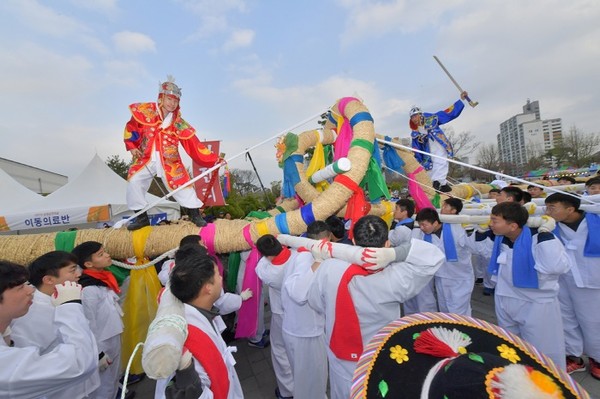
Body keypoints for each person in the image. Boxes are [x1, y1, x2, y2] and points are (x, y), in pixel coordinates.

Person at [307, 215, 444, 399]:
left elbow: (314, 302)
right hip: (379, 353)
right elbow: (433, 257)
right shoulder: (396, 276)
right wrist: (395, 254)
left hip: (341, 354)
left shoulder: (329, 268)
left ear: (353, 240)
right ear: (387, 244)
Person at [470, 202, 570, 370]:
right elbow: (481, 251)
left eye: (495, 220)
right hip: (505, 298)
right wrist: (478, 232)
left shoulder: (539, 238)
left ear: (513, 225)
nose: (490, 224)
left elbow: (557, 267)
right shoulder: (500, 239)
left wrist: (546, 235)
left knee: (542, 349)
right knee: (511, 344)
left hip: (535, 303)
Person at [123, 76, 218, 230]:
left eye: (175, 101)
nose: (172, 103)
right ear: (161, 97)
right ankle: (141, 217)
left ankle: (195, 215)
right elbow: (131, 128)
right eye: (169, 99)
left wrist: (213, 159)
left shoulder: (178, 123)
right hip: (146, 158)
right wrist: (132, 146)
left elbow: (194, 144)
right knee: (134, 181)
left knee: (182, 185)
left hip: (169, 161)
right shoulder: (145, 112)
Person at [0, 261, 98, 399]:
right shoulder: (4, 363)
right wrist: (69, 305)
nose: (31, 290)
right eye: (21, 287)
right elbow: (79, 363)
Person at [167, 245, 244, 399]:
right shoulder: (190, 339)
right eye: (217, 275)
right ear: (208, 288)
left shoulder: (201, 313)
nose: (221, 278)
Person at [544, 193, 600, 378]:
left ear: (570, 209)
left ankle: (597, 358)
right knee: (566, 319)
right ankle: (574, 357)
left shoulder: (595, 220)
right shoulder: (552, 226)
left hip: (591, 280)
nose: (548, 212)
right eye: (547, 207)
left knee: (593, 321)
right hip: (563, 280)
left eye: (553, 207)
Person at [280, 221, 330, 399]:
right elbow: (299, 292)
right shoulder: (307, 258)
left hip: (298, 328)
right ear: (326, 239)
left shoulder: (297, 254)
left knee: (305, 382)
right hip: (305, 332)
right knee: (313, 384)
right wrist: (318, 261)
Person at [72, 241, 124, 399]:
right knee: (103, 386)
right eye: (101, 254)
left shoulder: (103, 281)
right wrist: (98, 353)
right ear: (88, 264)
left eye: (105, 252)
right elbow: (88, 323)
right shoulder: (88, 290)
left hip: (113, 336)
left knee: (114, 379)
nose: (107, 255)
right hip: (101, 342)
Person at [255, 235, 295, 399]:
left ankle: (287, 391)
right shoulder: (297, 255)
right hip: (300, 311)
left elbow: (260, 265)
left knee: (280, 350)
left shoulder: (268, 271)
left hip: (280, 313)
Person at [415, 207, 474, 316]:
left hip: (459, 277)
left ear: (436, 222)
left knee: (458, 309)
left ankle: (463, 331)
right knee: (444, 308)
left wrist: (472, 232)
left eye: (424, 225)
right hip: (440, 276)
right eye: (420, 225)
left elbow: (473, 246)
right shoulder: (423, 234)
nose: (422, 228)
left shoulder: (456, 229)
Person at [409, 91, 469, 192]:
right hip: (427, 151)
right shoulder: (415, 132)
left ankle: (439, 182)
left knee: (441, 161)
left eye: (416, 115)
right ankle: (441, 183)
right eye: (412, 117)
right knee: (431, 166)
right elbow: (416, 148)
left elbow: (447, 113)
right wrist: (417, 159)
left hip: (438, 143)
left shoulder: (432, 118)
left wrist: (461, 100)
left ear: (421, 114)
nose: (415, 119)